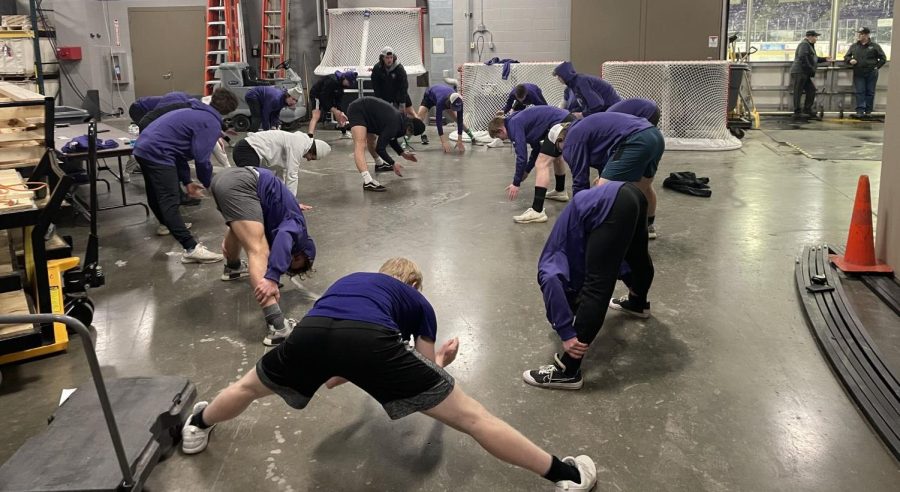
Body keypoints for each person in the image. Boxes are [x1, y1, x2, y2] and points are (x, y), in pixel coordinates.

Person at [180, 257, 598, 491]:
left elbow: (332, 374)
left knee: (247, 387)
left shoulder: (350, 281)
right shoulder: (417, 303)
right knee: (474, 418)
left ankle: (197, 425)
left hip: (311, 332)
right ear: (414, 285)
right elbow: (428, 370)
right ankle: (568, 475)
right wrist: (445, 362)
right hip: (370, 341)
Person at [523, 181, 654, 390]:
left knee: (597, 287)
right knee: (638, 255)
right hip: (630, 194)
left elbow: (552, 282)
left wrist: (567, 332)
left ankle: (568, 370)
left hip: (610, 204)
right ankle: (638, 303)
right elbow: (617, 255)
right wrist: (631, 281)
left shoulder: (550, 265)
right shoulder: (575, 255)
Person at [209, 167, 316, 345]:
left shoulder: (290, 216)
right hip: (243, 184)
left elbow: (280, 201)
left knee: (240, 232)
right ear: (303, 251)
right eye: (295, 258)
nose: (289, 259)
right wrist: (272, 277)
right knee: (259, 250)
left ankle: (233, 267)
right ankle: (279, 327)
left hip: (225, 179)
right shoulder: (297, 227)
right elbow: (283, 236)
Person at [133, 88, 239, 262]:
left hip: (143, 148)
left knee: (154, 191)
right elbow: (202, 159)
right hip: (157, 152)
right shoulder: (209, 122)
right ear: (229, 111)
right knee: (170, 199)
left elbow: (179, 152)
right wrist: (208, 184)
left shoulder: (193, 110)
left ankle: (168, 224)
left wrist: (187, 181)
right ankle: (190, 248)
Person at [544, 111, 664, 239]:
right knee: (644, 188)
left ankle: (604, 233)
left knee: (603, 190)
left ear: (560, 140)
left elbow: (580, 180)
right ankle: (648, 226)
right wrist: (604, 175)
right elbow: (607, 154)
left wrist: (578, 214)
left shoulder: (571, 140)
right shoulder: (583, 127)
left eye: (559, 148)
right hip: (654, 135)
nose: (562, 152)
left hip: (636, 140)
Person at [487, 106, 575, 224]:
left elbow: (522, 156)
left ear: (500, 130)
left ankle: (537, 211)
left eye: (499, 137)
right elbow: (536, 148)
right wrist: (527, 171)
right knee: (555, 156)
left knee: (542, 163)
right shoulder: (517, 121)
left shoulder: (514, 124)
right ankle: (560, 191)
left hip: (562, 124)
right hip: (566, 120)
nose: (501, 140)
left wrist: (516, 182)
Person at [347, 96, 425, 192]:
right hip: (358, 109)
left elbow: (391, 138)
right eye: (411, 134)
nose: (409, 136)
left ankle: (380, 164)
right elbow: (380, 148)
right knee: (360, 143)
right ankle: (368, 181)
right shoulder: (396, 123)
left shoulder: (402, 122)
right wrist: (393, 163)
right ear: (410, 129)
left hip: (369, 113)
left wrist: (403, 154)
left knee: (372, 139)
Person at [231, 130, 332, 198]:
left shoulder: (298, 142)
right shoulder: (299, 144)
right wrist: (291, 202)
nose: (309, 160)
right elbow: (292, 175)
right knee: (251, 186)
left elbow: (281, 172)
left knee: (259, 185)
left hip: (248, 150)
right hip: (247, 150)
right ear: (312, 151)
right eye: (312, 158)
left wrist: (281, 194)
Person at [844, 27, 887, 119]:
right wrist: (850, 60)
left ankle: (868, 111)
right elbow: (846, 57)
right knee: (860, 91)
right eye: (859, 34)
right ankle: (860, 111)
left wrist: (876, 67)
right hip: (859, 72)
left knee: (870, 92)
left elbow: (883, 58)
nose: (859, 35)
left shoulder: (875, 46)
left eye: (862, 34)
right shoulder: (854, 46)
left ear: (867, 35)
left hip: (871, 73)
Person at [417, 84, 473, 154]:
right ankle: (406, 138)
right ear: (449, 103)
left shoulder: (459, 102)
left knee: (456, 118)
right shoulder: (441, 101)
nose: (455, 109)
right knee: (419, 119)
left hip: (445, 97)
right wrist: (444, 142)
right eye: (453, 107)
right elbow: (439, 122)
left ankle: (471, 136)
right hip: (429, 96)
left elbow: (460, 120)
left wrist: (459, 140)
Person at [553, 61, 621, 116]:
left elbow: (597, 105)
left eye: (559, 76)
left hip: (613, 111)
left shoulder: (581, 82)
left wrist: (582, 115)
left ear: (565, 75)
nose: (558, 79)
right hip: (607, 110)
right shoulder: (572, 86)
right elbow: (584, 105)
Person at [790, 30, 829, 120]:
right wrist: (810, 68)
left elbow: (814, 58)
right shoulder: (804, 44)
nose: (816, 39)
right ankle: (797, 112)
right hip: (800, 71)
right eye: (815, 37)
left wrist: (825, 59)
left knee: (811, 90)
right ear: (810, 37)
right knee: (798, 91)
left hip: (804, 72)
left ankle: (807, 109)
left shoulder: (809, 45)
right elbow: (803, 57)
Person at [371, 46, 418, 120]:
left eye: (391, 57)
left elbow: (404, 86)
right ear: (382, 58)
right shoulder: (377, 68)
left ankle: (419, 126)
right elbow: (375, 85)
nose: (389, 60)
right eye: (387, 58)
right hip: (385, 96)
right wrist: (379, 99)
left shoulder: (399, 68)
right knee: (386, 115)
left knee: (411, 113)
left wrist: (402, 103)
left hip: (400, 95)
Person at [307, 70, 358, 138]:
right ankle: (310, 136)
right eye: (349, 82)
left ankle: (344, 132)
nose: (349, 85)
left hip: (328, 95)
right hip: (317, 94)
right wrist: (333, 109)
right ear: (345, 78)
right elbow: (323, 97)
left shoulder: (341, 85)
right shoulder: (331, 81)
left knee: (338, 112)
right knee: (316, 115)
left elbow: (338, 100)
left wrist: (340, 112)